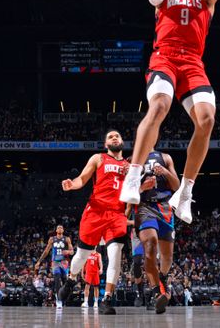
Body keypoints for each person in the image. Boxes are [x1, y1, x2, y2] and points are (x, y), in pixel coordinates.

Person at [120, 0, 220, 224]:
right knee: (160, 106)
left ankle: (186, 192)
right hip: (164, 57)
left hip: (192, 61)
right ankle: (134, 176)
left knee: (207, 119)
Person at [58, 130, 129, 315]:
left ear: (122, 142)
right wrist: (72, 184)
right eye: (111, 137)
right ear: (106, 144)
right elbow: (83, 178)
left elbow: (134, 192)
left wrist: (139, 182)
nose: (115, 138)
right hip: (95, 211)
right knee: (81, 255)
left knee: (115, 255)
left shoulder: (130, 166)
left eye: (118, 136)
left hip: (117, 213)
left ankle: (107, 299)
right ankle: (71, 279)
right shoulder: (98, 158)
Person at [134, 150, 180, 314]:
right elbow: (126, 191)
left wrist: (165, 172)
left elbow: (177, 186)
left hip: (165, 207)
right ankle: (156, 291)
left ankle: (162, 277)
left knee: (167, 258)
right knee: (150, 244)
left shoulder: (166, 157)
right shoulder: (133, 159)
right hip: (145, 206)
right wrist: (141, 188)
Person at [34, 225, 74, 308]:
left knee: (65, 281)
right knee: (57, 279)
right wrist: (39, 261)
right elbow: (46, 251)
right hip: (55, 262)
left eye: (61, 228)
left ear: (63, 230)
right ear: (56, 230)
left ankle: (64, 299)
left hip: (64, 262)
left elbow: (72, 252)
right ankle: (58, 300)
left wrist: (68, 251)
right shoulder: (52, 239)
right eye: (58, 228)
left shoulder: (67, 239)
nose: (60, 229)